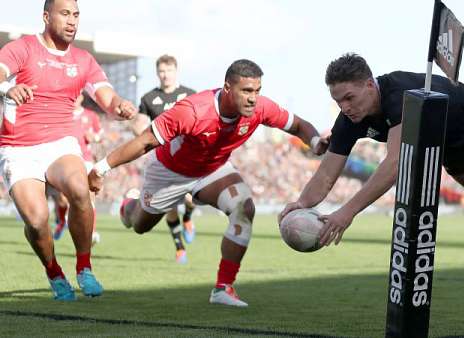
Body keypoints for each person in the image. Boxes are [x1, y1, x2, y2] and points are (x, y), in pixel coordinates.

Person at [279, 53, 464, 313]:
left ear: (370, 85)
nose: (345, 107)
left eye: (349, 98)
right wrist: (301, 202)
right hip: (445, 138)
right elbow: (326, 175)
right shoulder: (349, 120)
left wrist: (346, 212)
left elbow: (395, 164)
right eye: (339, 102)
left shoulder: (400, 98)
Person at [88, 59, 328, 307]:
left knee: (244, 208)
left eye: (257, 91)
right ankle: (129, 206)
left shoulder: (260, 108)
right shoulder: (192, 110)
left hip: (212, 169)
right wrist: (102, 167)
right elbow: (145, 141)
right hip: (168, 172)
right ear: (227, 88)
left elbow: (298, 125)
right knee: (139, 225)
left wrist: (315, 141)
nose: (253, 98)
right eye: (246, 91)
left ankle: (223, 288)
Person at [0, 0, 136, 301]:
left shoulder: (84, 60)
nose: (72, 20)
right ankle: (53, 272)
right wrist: (6, 89)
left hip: (61, 142)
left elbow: (105, 95)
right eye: (65, 14)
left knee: (79, 189)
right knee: (36, 221)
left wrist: (119, 106)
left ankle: (84, 267)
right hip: (19, 147)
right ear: (46, 17)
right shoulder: (23, 48)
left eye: (76, 15)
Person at [136, 55, 197, 264]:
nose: (165, 75)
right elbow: (141, 126)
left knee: (191, 200)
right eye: (161, 71)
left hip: (187, 159)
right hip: (162, 161)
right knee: (169, 205)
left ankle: (188, 216)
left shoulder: (190, 95)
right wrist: (136, 126)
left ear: (176, 71)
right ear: (157, 73)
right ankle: (179, 247)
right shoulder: (148, 99)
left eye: (169, 70)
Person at [54, 94, 104, 245]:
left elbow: (100, 135)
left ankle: (91, 232)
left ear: (81, 97)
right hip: (66, 159)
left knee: (90, 196)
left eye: (77, 96)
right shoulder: (62, 114)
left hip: (86, 159)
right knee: (62, 199)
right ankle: (62, 221)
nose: (74, 98)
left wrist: (93, 137)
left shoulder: (91, 116)